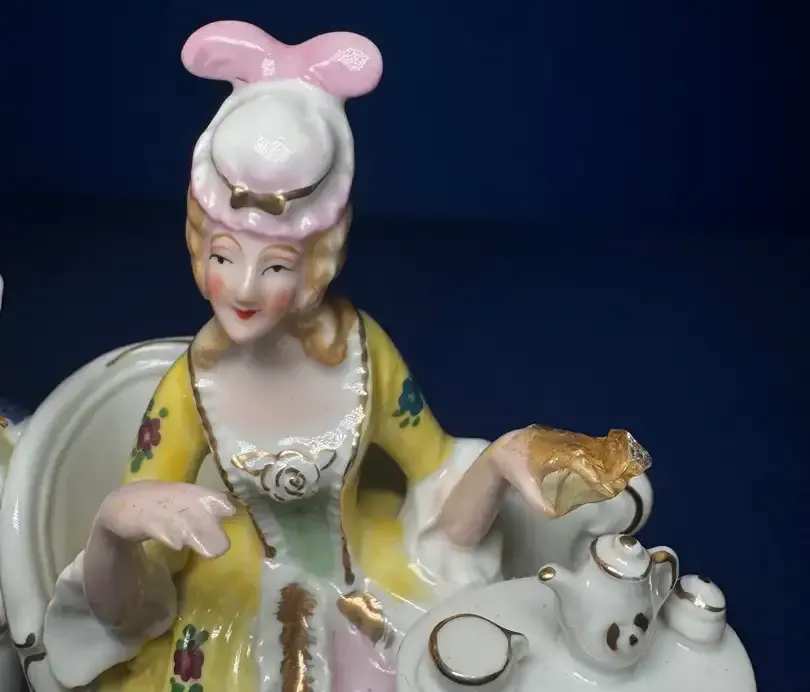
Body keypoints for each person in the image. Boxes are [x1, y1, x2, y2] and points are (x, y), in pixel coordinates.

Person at [41, 21, 646, 692]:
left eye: (274, 265)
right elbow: (133, 594)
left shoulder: (362, 353)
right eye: (222, 256)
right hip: (239, 607)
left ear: (316, 265)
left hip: (372, 583)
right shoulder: (190, 390)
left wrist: (502, 460)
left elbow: (437, 486)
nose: (242, 288)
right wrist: (116, 526)